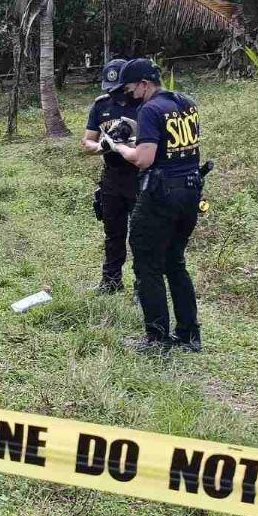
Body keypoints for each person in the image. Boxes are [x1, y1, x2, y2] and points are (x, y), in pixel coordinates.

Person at [108, 59, 204, 353]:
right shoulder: (186, 102)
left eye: (130, 89)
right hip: (190, 191)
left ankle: (157, 338)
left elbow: (144, 159)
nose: (129, 95)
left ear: (144, 84)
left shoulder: (149, 109)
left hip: (160, 196)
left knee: (148, 266)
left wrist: (119, 147)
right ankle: (189, 336)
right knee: (175, 263)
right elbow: (176, 147)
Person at [81, 59, 138, 294]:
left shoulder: (144, 104)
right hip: (112, 176)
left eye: (119, 88)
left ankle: (142, 286)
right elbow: (87, 141)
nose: (115, 93)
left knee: (141, 235)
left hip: (139, 176)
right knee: (113, 233)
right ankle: (111, 282)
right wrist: (103, 146)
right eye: (110, 89)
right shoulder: (101, 106)